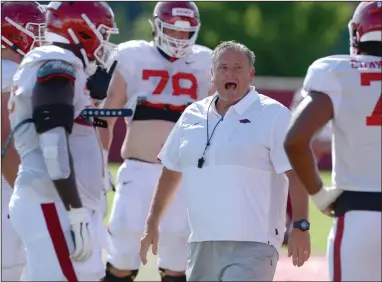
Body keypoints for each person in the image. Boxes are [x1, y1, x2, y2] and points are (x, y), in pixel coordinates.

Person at [140, 40, 311, 281]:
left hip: (254, 244)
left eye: (238, 68)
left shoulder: (274, 115)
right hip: (201, 242)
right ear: (212, 74)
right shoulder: (192, 115)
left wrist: (301, 226)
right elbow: (171, 170)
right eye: (223, 68)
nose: (230, 73)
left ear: (250, 74)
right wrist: (152, 221)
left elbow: (297, 174)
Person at [99, 2, 214, 282]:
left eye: (184, 32)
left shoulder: (207, 61)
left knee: (178, 247)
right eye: (172, 29)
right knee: (123, 241)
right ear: (156, 26)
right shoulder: (132, 55)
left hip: (184, 173)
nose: (178, 38)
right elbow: (106, 115)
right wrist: (99, 161)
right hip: (139, 168)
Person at [7, 1, 119, 280]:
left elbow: (77, 128)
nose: (104, 41)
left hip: (57, 200)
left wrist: (94, 97)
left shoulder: (63, 67)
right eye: (102, 33)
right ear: (83, 30)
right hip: (53, 201)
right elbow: (53, 140)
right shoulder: (56, 64)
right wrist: (74, 209)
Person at [284, 2, 382, 281]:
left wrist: (319, 194)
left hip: (358, 214)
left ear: (356, 33)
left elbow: (295, 140)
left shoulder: (336, 71)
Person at [1, 2, 45, 280]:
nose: (42, 39)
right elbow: (6, 144)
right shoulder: (9, 74)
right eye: (36, 30)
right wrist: (27, 196)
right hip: (8, 184)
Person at [283, 87, 333, 245]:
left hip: (298, 175)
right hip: (283, 173)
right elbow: (299, 141)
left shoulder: (326, 103)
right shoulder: (310, 96)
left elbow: (320, 144)